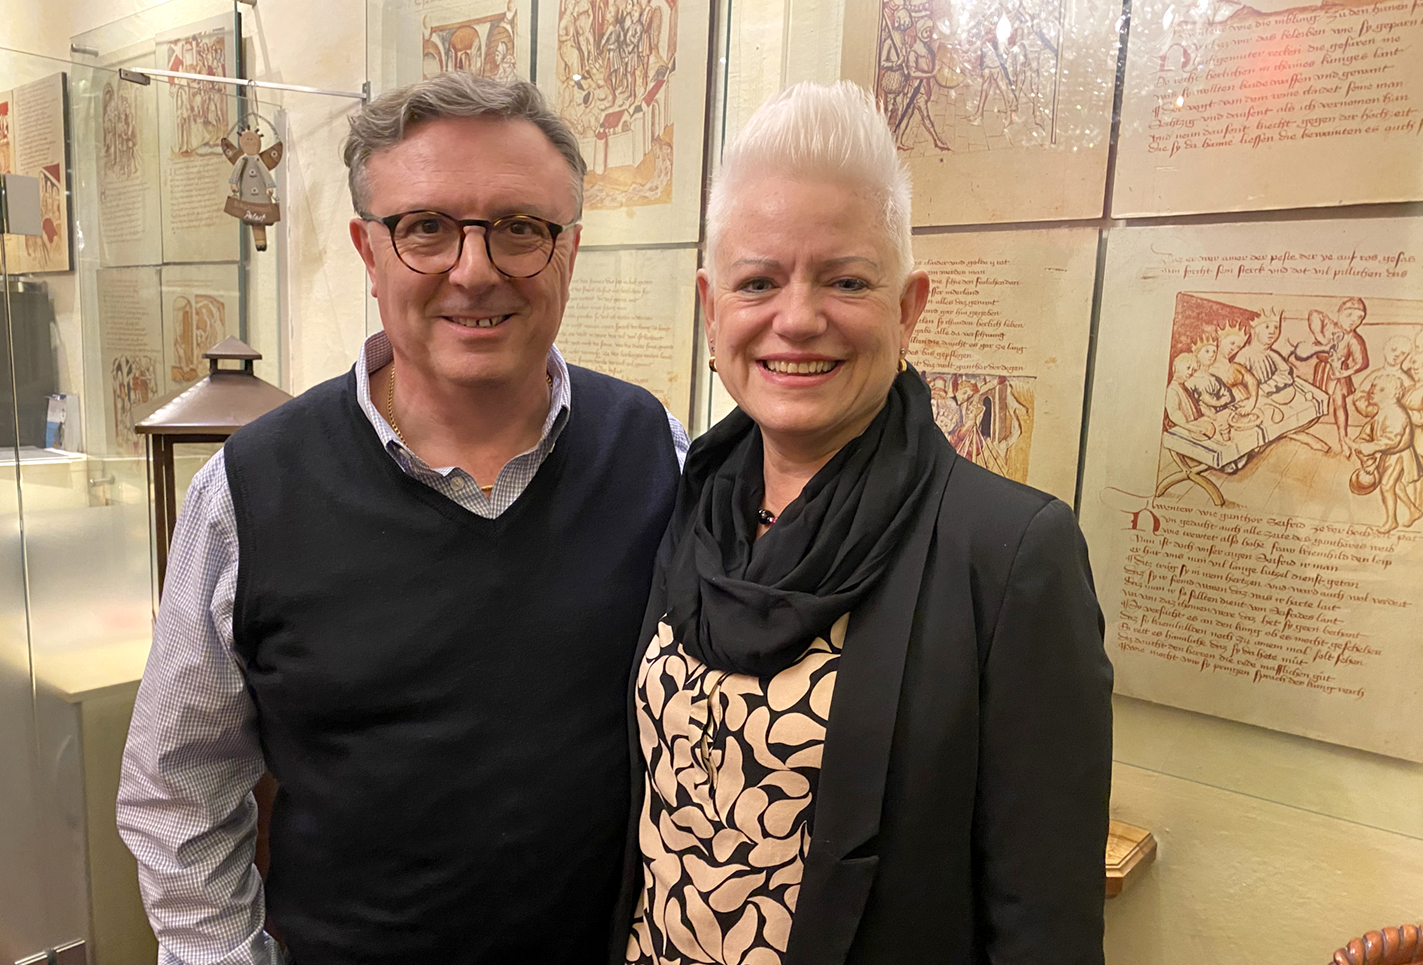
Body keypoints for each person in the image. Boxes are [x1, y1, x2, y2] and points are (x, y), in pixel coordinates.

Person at [117, 74, 688, 965]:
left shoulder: (658, 453)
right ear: (368, 249)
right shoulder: (250, 490)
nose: (475, 269)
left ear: (569, 249)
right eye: (425, 227)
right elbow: (178, 787)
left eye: (519, 227)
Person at [615, 81, 1112, 965]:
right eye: (757, 281)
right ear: (710, 308)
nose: (797, 319)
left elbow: (1044, 922)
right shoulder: (691, 503)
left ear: (907, 306)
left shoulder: (1007, 554)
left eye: (845, 280)